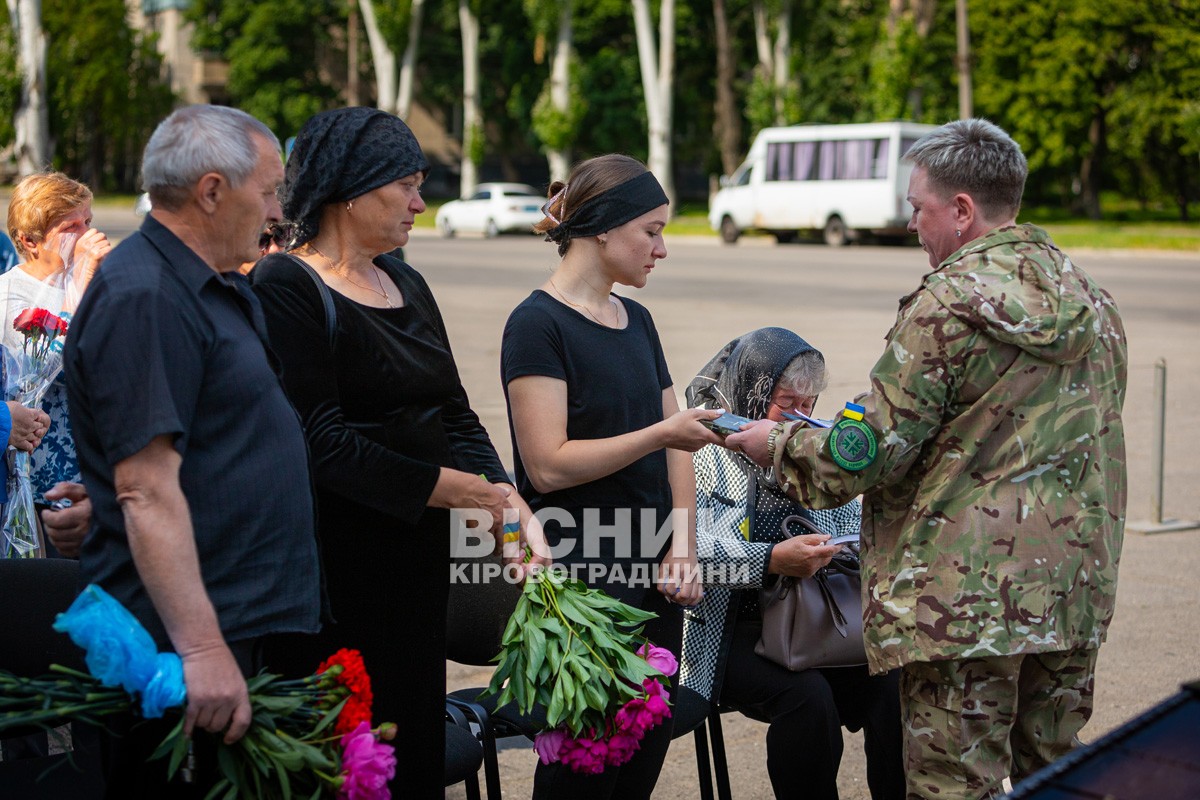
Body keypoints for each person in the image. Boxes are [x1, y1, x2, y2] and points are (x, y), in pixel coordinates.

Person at [726, 119, 1128, 800]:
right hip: (1071, 593)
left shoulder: (946, 306)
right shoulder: (1092, 299)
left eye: (918, 208)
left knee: (952, 785)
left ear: (963, 210)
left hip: (966, 605)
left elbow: (865, 454)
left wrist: (780, 445)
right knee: (1056, 774)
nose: (912, 225)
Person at [250, 106, 547, 798]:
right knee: (349, 763)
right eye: (406, 186)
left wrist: (509, 504)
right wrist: (457, 491)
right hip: (337, 574)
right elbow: (319, 441)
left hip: (415, 570)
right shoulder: (287, 286)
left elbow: (455, 414)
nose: (421, 203)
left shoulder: (405, 281)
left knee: (411, 753)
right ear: (351, 190)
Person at [64, 104, 322, 797]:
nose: (276, 212)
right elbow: (146, 488)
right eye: (268, 191)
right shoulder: (145, 293)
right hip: (189, 650)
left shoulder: (219, 283)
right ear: (211, 191)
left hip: (241, 625)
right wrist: (203, 647)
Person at [501, 154, 723, 800]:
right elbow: (547, 463)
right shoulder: (536, 323)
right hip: (583, 588)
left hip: (652, 582)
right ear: (603, 228)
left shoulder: (638, 321)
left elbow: (678, 443)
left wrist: (683, 543)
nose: (661, 249)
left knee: (639, 761)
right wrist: (660, 436)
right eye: (651, 231)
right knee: (581, 773)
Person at [683, 327, 904, 800]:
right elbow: (692, 554)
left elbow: (848, 527)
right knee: (808, 699)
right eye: (787, 404)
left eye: (810, 404)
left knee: (893, 682)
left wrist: (845, 543)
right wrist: (772, 560)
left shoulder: (808, 447)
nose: (801, 418)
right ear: (753, 390)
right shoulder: (701, 454)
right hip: (728, 634)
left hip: (813, 622)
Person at [3, 172, 110, 505]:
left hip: (94, 472)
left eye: (88, 222)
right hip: (41, 482)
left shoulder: (90, 282)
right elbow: (49, 369)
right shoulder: (9, 296)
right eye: (70, 227)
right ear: (31, 241)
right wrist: (81, 283)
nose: (87, 236)